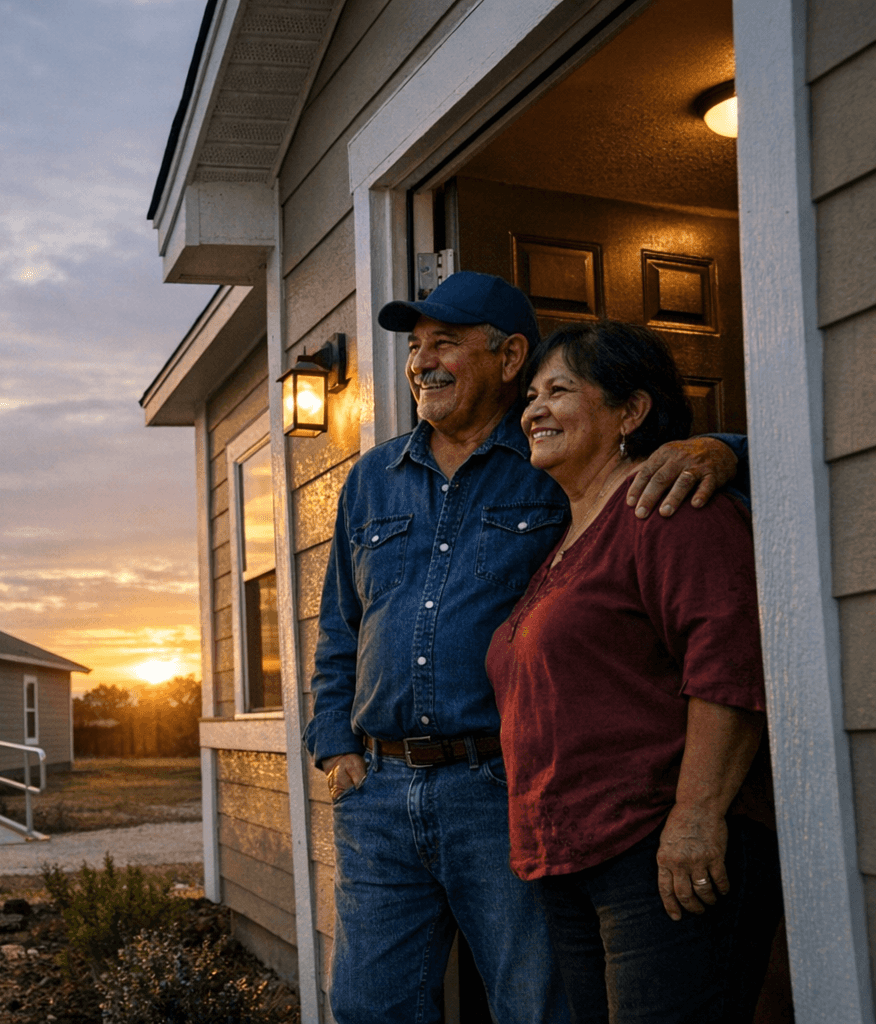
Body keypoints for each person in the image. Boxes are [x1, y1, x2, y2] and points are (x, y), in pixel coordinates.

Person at [303, 271, 743, 1024]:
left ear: (510, 357)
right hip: (377, 788)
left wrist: (724, 447)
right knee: (368, 1007)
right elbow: (341, 625)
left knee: (536, 1005)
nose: (422, 362)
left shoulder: (554, 459)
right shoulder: (372, 479)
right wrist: (334, 745)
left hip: (501, 785)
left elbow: (654, 472)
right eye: (415, 347)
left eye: (446, 343)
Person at [485, 320, 780, 1023]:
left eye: (559, 389)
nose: (534, 409)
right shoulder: (561, 544)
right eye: (530, 394)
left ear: (631, 411)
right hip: (568, 859)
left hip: (658, 855)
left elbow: (729, 664)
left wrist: (696, 815)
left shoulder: (668, 510)